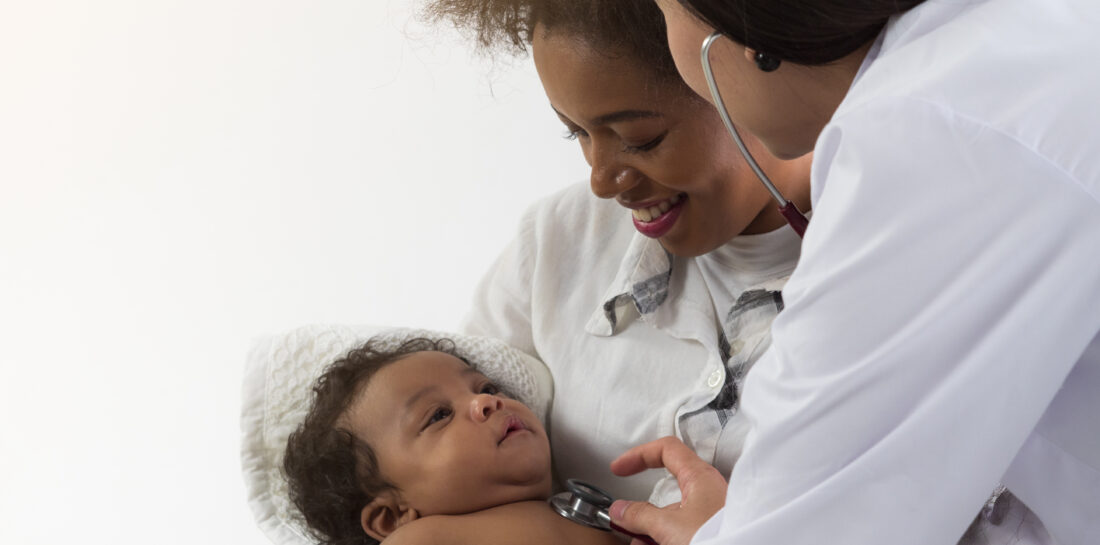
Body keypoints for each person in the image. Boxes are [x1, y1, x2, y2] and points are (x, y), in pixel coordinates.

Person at [606, 1, 1100, 544]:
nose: (603, 181)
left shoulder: (921, 140)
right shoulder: (1004, 41)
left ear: (742, 30)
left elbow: (812, 522)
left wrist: (727, 532)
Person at [424, 0, 811, 505]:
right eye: (578, 132)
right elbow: (422, 455)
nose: (602, 181)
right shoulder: (558, 240)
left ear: (757, 76)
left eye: (641, 139)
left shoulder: (891, 264)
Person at [281, 336, 622, 545]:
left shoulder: (576, 508)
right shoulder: (423, 539)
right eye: (439, 415)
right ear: (391, 516)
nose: (487, 402)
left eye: (485, 388)